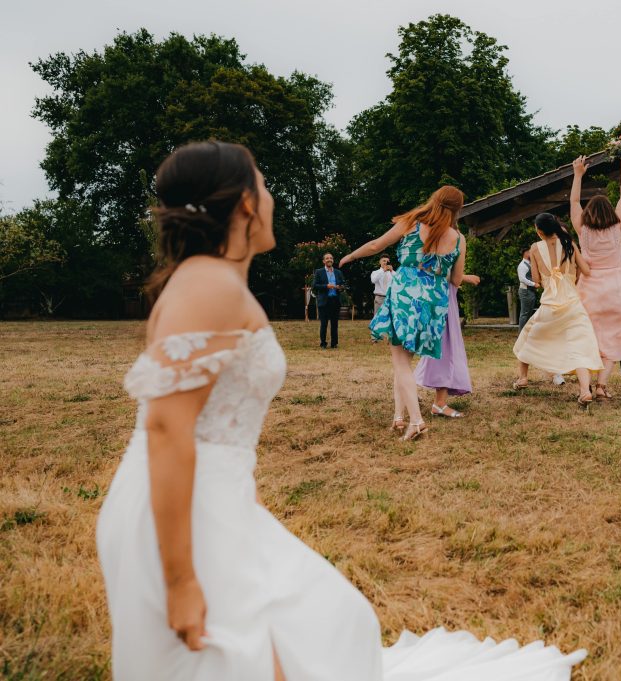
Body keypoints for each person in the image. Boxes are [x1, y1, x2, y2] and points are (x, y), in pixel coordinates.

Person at [97, 141, 586, 681]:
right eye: (263, 183)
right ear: (242, 205)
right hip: (179, 509)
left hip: (214, 496)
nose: (273, 195)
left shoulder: (214, 279)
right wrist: (180, 580)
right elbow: (166, 428)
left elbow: (213, 420)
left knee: (324, 626)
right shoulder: (206, 284)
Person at [340, 186, 467, 441]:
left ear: (434, 200)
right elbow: (456, 279)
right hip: (434, 304)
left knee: (400, 362)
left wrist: (351, 256)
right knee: (403, 364)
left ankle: (417, 421)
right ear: (457, 209)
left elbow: (378, 244)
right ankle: (399, 417)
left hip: (406, 297)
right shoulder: (459, 238)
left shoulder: (413, 223)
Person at [569, 154, 621, 399]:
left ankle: (584, 388)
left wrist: (578, 175)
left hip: (590, 287)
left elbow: (575, 199)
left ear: (588, 212)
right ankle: (601, 386)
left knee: (585, 336)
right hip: (615, 289)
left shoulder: (582, 229)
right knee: (613, 338)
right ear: (610, 212)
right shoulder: (618, 226)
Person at [513, 213, 603, 406]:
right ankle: (585, 390)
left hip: (550, 304)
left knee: (529, 336)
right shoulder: (569, 243)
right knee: (580, 345)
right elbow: (585, 271)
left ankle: (523, 378)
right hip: (572, 303)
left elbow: (536, 279)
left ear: (539, 231)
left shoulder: (535, 249)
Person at [414, 273, 481, 418]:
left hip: (442, 294)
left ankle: (433, 400)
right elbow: (436, 267)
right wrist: (463, 277)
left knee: (444, 346)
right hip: (440, 298)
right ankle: (438, 403)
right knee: (444, 346)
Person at [312, 252, 344, 348]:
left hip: (335, 300)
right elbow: (314, 285)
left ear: (333, 260)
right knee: (324, 323)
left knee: (334, 324)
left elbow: (343, 285)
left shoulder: (338, 272)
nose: (329, 259)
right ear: (323, 261)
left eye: (331, 258)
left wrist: (340, 287)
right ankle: (323, 343)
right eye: (327, 258)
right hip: (324, 301)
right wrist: (326, 286)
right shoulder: (319, 272)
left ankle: (334, 344)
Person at [517, 246, 538, 330]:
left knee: (529, 313)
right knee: (524, 314)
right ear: (525, 253)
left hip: (530, 291)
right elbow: (522, 279)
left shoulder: (529, 263)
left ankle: (526, 333)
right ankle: (521, 334)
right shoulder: (522, 265)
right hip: (525, 291)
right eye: (530, 252)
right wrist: (534, 284)